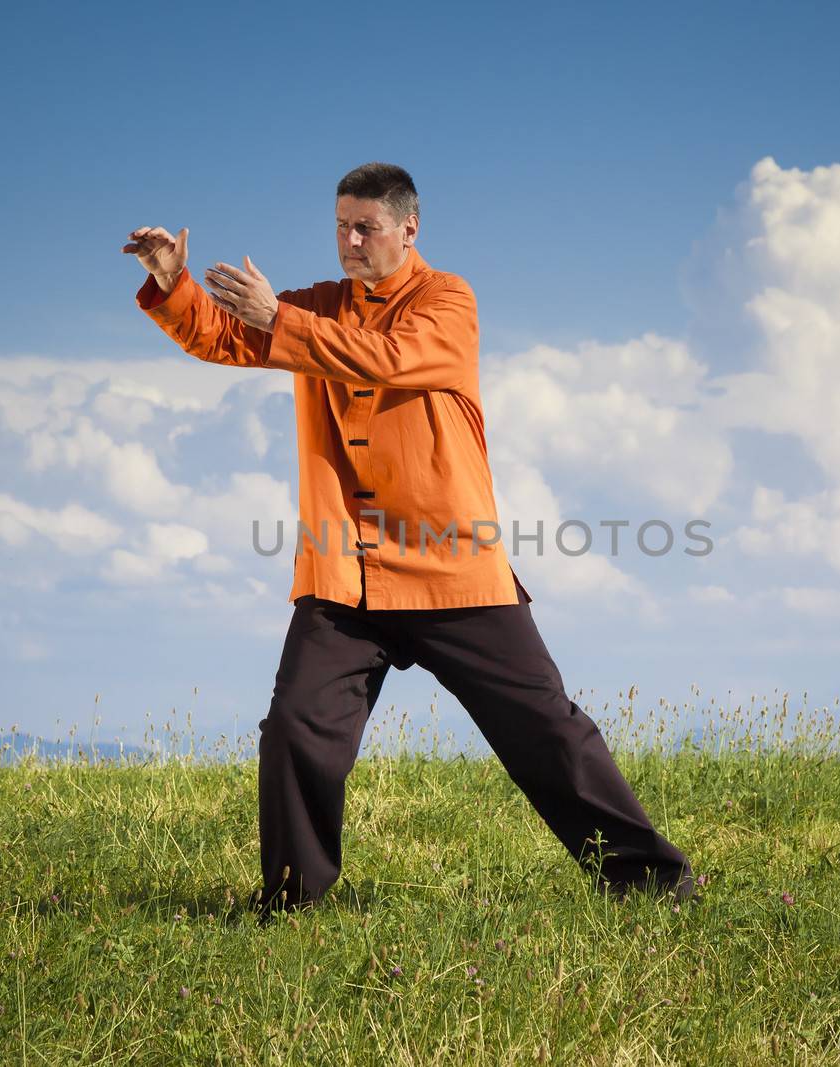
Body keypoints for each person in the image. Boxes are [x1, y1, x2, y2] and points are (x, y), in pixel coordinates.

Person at [123, 162, 694, 920]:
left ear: (408, 229)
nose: (350, 241)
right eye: (340, 226)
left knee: (547, 732)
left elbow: (384, 358)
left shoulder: (448, 300)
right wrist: (174, 283)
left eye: (366, 227)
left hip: (451, 567)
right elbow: (225, 337)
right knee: (295, 729)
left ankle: (652, 882)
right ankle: (292, 903)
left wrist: (279, 320)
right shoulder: (318, 305)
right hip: (345, 573)